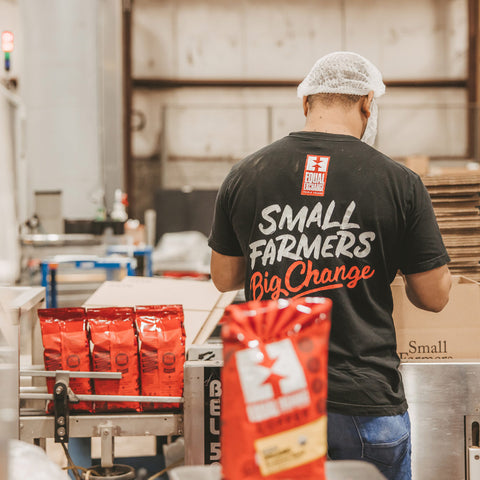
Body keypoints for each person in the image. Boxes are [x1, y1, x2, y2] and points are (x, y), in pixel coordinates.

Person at [208, 51, 451, 480]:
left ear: (306, 103)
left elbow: (225, 277)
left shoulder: (246, 174)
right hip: (365, 398)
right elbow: (433, 296)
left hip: (276, 394)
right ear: (367, 105)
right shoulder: (399, 182)